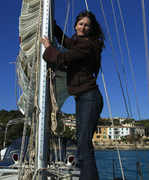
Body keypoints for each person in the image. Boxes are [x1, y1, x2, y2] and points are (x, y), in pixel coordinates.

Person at [41, 11, 105, 180]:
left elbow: (61, 58)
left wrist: (48, 47)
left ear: (91, 29)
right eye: (80, 24)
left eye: (86, 25)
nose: (82, 27)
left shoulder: (86, 45)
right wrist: (52, 25)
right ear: (76, 25)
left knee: (83, 149)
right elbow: (66, 41)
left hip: (89, 97)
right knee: (82, 148)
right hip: (84, 98)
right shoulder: (79, 43)